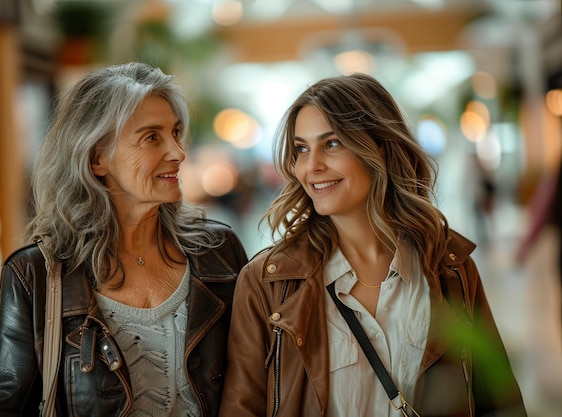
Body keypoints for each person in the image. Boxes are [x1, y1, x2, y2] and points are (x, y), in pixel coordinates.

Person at [219, 73, 527, 417]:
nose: (312, 165)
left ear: (378, 146)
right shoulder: (267, 284)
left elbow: (499, 400)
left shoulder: (449, 267)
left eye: (332, 143)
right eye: (302, 149)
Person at [0, 62, 248, 417]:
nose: (178, 152)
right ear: (98, 157)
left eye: (176, 132)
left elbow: (259, 383)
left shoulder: (219, 253)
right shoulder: (34, 275)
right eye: (151, 137)